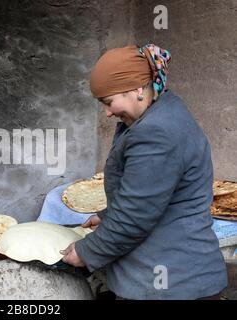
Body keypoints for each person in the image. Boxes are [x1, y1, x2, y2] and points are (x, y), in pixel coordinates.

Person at [60, 44, 228, 300]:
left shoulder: (157, 131)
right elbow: (152, 194)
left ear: (137, 89)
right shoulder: (161, 112)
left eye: (108, 102)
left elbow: (135, 215)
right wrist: (108, 216)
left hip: (171, 283)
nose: (106, 112)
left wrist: (88, 251)